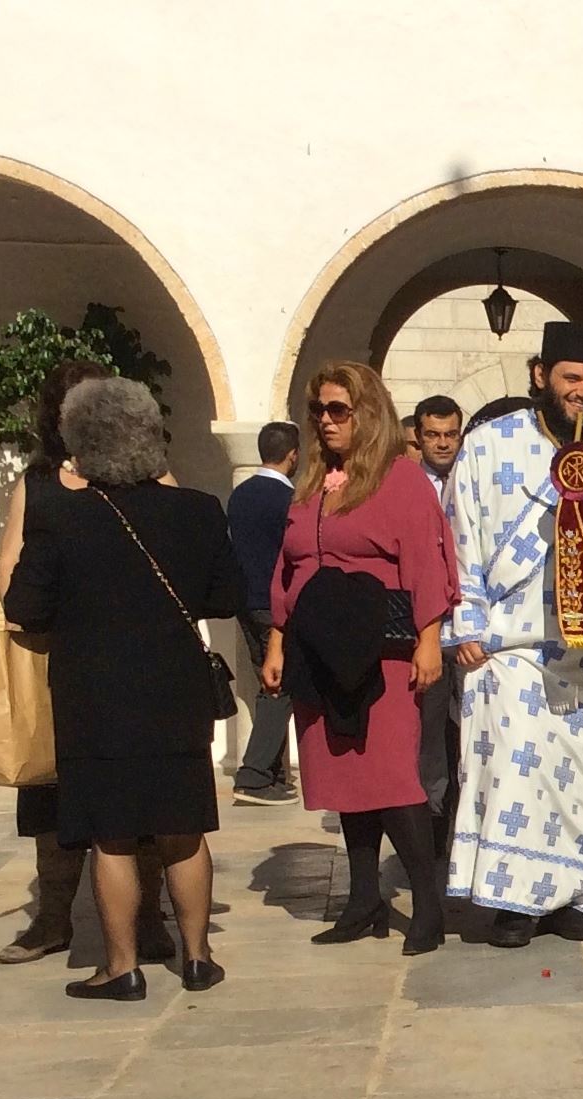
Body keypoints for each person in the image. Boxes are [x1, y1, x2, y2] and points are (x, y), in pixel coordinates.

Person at [3, 377, 245, 1000]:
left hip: (94, 694)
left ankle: (121, 967)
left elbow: (24, 607)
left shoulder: (60, 517)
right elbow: (225, 596)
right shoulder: (198, 510)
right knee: (183, 827)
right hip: (176, 690)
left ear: (80, 443)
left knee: (110, 834)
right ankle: (198, 958)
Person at [445, 321, 583, 949]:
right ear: (542, 376)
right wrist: (466, 622)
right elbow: (458, 534)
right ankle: (514, 903)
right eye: (571, 379)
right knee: (516, 773)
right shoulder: (488, 444)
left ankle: (572, 897)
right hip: (509, 644)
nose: (582, 393)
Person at [261, 362, 457, 955]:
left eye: (338, 410)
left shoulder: (401, 480)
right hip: (318, 652)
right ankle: (364, 898)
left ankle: (428, 908)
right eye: (318, 410)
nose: (325, 421)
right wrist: (277, 640)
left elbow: (427, 560)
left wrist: (429, 637)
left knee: (392, 778)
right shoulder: (311, 484)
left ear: (367, 413)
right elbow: (289, 567)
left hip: (382, 652)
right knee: (346, 777)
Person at [0, 360, 177, 967]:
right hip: (60, 661)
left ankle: (148, 918)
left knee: (138, 791)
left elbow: (176, 551)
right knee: (51, 792)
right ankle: (52, 919)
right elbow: (9, 568)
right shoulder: (38, 483)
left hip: (133, 667)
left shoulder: (151, 478)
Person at [228, 421, 300, 806]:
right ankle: (254, 774)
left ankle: (273, 773)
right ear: (293, 455)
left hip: (246, 601)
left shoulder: (240, 495)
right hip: (276, 604)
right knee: (280, 684)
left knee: (267, 682)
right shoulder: (289, 500)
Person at [412, 395, 465, 852]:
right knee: (429, 740)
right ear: (419, 436)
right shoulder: (406, 485)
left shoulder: (473, 480)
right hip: (426, 632)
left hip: (469, 632)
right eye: (433, 435)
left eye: (450, 435)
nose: (443, 443)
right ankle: (431, 834)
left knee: (469, 737)